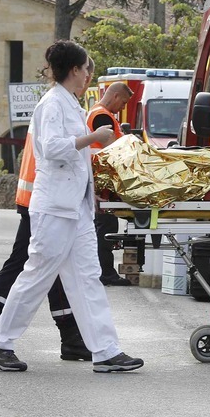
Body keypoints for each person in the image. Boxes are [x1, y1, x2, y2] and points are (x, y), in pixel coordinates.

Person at [0, 41, 142, 374]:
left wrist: (100, 154)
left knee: (88, 276)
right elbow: (52, 149)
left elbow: (76, 154)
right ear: (74, 71)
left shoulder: (69, 103)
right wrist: (92, 137)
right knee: (38, 275)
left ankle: (106, 350)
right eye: (86, 70)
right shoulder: (52, 104)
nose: (88, 76)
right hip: (54, 207)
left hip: (73, 207)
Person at [0, 124, 93, 362]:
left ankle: (70, 337)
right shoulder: (57, 110)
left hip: (38, 196)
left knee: (47, 264)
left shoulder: (50, 110)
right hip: (46, 199)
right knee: (32, 265)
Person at [88, 81, 134, 286]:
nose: (123, 108)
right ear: (115, 96)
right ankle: (105, 272)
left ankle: (105, 271)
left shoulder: (101, 113)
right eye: (123, 103)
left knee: (106, 226)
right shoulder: (102, 116)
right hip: (101, 181)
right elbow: (114, 147)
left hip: (101, 180)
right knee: (104, 229)